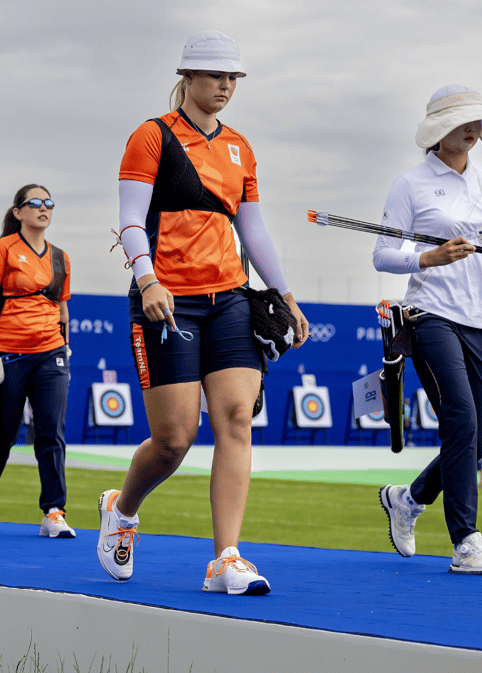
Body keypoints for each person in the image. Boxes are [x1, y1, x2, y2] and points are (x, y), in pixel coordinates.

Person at [97, 32, 309, 595]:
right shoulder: (152, 136)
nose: (225, 86)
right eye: (215, 76)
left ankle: (226, 560)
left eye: (233, 78)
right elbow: (129, 218)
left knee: (236, 419)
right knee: (174, 439)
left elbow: (253, 226)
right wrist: (147, 278)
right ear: (187, 77)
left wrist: (284, 293)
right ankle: (122, 508)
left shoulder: (241, 146)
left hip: (232, 298)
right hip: (167, 300)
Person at [374, 85, 482, 575]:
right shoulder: (410, 184)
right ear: (439, 130)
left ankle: (408, 499)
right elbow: (382, 253)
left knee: (475, 436)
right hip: (431, 314)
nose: (473, 129)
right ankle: (466, 543)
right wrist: (430, 256)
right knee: (460, 419)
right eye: (464, 121)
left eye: (477, 121)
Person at [0, 184, 74, 538]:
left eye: (49, 203)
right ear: (18, 212)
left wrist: (66, 344)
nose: (44, 209)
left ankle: (54, 511)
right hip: (8, 355)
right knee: (3, 434)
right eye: (35, 203)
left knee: (50, 431)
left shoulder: (60, 257)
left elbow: (62, 307)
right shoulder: (1, 250)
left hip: (51, 353)